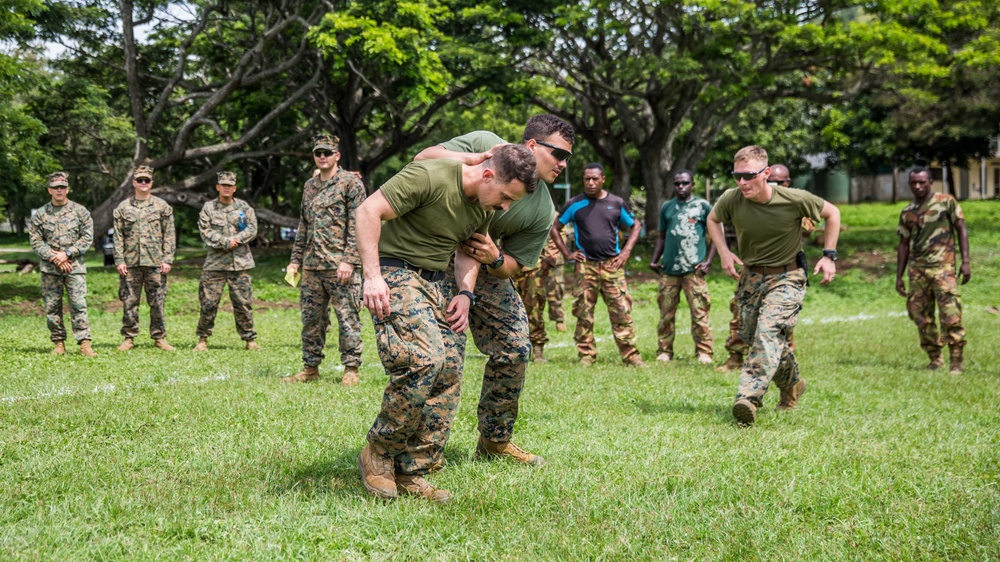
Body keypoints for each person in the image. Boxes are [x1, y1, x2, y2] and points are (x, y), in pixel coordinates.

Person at [356, 144, 537, 503]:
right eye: (504, 197)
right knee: (425, 360)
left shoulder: (482, 206)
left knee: (450, 368)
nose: (504, 207)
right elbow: (367, 211)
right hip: (395, 270)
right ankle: (378, 452)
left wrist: (466, 294)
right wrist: (372, 276)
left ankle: (415, 469)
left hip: (437, 282)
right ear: (488, 174)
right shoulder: (431, 176)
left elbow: (468, 252)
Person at [411, 114, 575, 467]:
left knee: (515, 347)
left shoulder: (543, 208)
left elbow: (516, 265)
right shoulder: (483, 142)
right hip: (433, 255)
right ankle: (421, 453)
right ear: (532, 146)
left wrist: (495, 256)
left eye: (567, 159)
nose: (563, 164)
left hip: (480, 264)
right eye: (559, 154)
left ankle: (495, 441)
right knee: (446, 360)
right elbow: (422, 159)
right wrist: (476, 158)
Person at [707, 146, 841, 426]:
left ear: (766, 173)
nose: (742, 183)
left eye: (749, 176)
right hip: (751, 277)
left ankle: (748, 397)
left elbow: (833, 213)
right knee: (752, 334)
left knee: (767, 334)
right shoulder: (732, 199)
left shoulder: (794, 199)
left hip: (787, 276)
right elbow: (713, 219)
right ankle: (793, 384)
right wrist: (723, 252)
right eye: (737, 176)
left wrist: (829, 256)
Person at [283, 134, 367, 386]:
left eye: (327, 152)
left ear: (337, 156)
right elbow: (303, 225)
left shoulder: (351, 184)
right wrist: (295, 260)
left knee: (347, 318)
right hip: (312, 266)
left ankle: (351, 368)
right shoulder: (309, 186)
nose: (322, 156)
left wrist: (349, 260)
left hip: (340, 266)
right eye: (318, 152)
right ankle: (310, 368)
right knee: (311, 320)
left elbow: (359, 225)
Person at [551, 162, 644, 367]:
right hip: (586, 268)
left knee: (621, 311)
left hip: (612, 266)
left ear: (603, 179)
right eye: (587, 179)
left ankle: (631, 355)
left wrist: (626, 252)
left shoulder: (616, 203)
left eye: (595, 179)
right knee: (584, 312)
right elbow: (555, 228)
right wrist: (567, 253)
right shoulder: (575, 204)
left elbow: (636, 225)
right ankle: (586, 354)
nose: (590, 183)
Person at [717, 164, 807, 372]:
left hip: (785, 271)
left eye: (779, 182)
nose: (774, 185)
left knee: (780, 318)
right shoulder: (749, 200)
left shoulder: (793, 203)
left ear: (787, 183)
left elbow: (810, 228)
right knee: (740, 310)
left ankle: (784, 361)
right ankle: (736, 355)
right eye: (771, 181)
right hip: (753, 270)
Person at [895, 167, 970, 375]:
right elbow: (903, 243)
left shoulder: (946, 201)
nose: (918, 186)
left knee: (951, 314)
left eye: (922, 182)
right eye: (914, 183)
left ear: (930, 182)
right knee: (919, 315)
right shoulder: (907, 212)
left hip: (943, 268)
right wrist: (899, 276)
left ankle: (956, 360)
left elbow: (961, 228)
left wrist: (965, 261)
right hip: (917, 271)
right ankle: (935, 358)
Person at [649, 169, 715, 364]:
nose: (681, 187)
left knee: (699, 313)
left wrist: (709, 261)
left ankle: (704, 352)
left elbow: (716, 238)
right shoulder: (667, 207)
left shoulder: (703, 207)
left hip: (693, 270)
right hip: (669, 270)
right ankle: (665, 350)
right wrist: (654, 259)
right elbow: (662, 236)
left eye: (685, 183)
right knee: (666, 314)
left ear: (692, 184)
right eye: (677, 183)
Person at [28, 172, 96, 356]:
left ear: (68, 189)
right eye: (56, 187)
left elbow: (87, 237)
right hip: (50, 269)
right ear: (50, 189)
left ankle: (84, 343)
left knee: (78, 304)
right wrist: (54, 257)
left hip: (75, 267)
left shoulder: (80, 212)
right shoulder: (40, 215)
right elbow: (36, 241)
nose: (60, 190)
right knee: (52, 306)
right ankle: (58, 343)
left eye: (63, 187)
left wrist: (67, 254)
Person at [194, 171, 260, 351]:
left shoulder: (243, 207)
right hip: (215, 264)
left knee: (243, 303)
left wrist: (237, 239)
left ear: (234, 188)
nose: (226, 188)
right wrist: (224, 241)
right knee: (208, 303)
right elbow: (204, 230)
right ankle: (202, 339)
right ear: (217, 187)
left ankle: (249, 339)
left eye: (229, 185)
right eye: (223, 185)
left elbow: (252, 228)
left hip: (240, 263)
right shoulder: (209, 208)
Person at [113, 165, 176, 351]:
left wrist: (168, 259)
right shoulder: (123, 208)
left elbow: (169, 234)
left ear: (151, 183)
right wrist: (119, 260)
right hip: (130, 263)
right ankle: (129, 338)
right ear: (133, 183)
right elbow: (118, 237)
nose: (143, 183)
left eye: (146, 180)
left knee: (157, 301)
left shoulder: (162, 206)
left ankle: (159, 337)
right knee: (129, 301)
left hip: (155, 262)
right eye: (139, 180)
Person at [513, 212, 563, 363]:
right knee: (509, 308)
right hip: (507, 265)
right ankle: (513, 347)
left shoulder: (543, 208)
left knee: (534, 307)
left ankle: (537, 348)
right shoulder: (504, 204)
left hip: (534, 266)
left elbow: (558, 234)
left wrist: (550, 258)